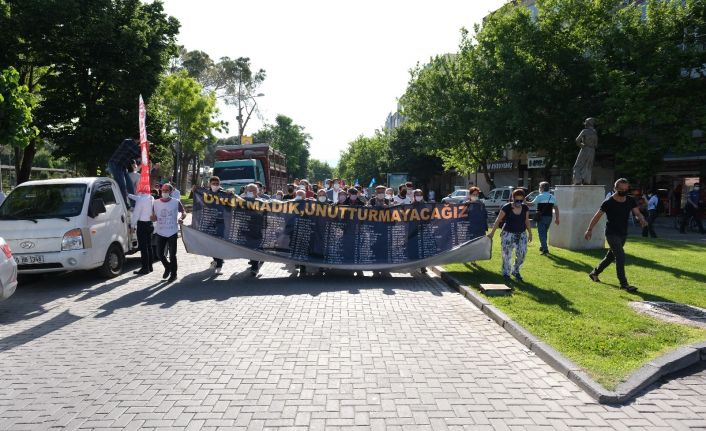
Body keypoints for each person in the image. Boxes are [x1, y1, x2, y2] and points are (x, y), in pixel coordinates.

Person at [585, 178, 648, 292]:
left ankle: (594, 273)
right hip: (611, 233)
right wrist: (589, 229)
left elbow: (637, 213)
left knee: (610, 257)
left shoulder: (630, 200)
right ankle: (624, 284)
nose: (624, 191)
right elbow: (597, 216)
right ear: (615, 188)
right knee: (620, 256)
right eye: (621, 189)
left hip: (623, 233)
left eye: (625, 189)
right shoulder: (608, 202)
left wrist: (642, 219)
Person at [487, 189, 532, 283]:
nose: (519, 202)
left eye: (521, 200)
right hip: (508, 234)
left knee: (522, 253)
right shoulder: (507, 207)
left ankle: (515, 271)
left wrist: (530, 233)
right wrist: (492, 233)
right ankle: (506, 273)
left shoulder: (525, 208)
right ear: (512, 198)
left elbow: (526, 220)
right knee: (506, 255)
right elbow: (498, 220)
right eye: (516, 200)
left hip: (521, 234)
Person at [151, 183, 186, 282]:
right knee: (159, 254)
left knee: (172, 255)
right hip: (160, 232)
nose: (164, 192)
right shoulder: (156, 202)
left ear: (170, 191)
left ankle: (174, 274)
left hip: (172, 231)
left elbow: (183, 212)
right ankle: (167, 267)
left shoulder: (176, 202)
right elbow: (153, 216)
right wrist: (152, 218)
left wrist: (181, 218)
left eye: (166, 190)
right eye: (163, 190)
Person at [206, 176, 231, 274]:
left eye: (217, 184)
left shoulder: (223, 193)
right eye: (213, 184)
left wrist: (230, 194)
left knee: (218, 243)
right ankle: (216, 260)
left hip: (221, 222)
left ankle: (219, 264)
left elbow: (231, 202)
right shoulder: (205, 193)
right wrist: (195, 190)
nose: (215, 185)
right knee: (210, 243)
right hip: (209, 221)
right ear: (210, 184)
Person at [127, 190, 154, 275]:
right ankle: (150, 266)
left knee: (143, 247)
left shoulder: (140, 200)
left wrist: (132, 226)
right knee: (149, 246)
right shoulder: (151, 197)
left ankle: (145, 268)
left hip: (142, 225)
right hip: (150, 224)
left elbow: (136, 214)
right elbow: (138, 198)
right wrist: (128, 195)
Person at [107, 138, 140, 207]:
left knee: (130, 185)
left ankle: (133, 204)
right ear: (139, 139)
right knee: (122, 185)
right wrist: (144, 147)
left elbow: (137, 156)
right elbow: (138, 152)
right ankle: (124, 205)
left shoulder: (134, 146)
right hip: (115, 164)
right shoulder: (128, 142)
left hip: (122, 167)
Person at [534, 181, 560, 255]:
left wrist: (524, 200)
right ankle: (542, 246)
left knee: (541, 233)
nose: (539, 188)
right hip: (549, 217)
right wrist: (557, 218)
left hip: (541, 217)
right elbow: (556, 209)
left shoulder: (540, 196)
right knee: (545, 232)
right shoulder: (552, 197)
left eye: (540, 187)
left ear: (542, 188)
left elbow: (531, 204)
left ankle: (545, 250)